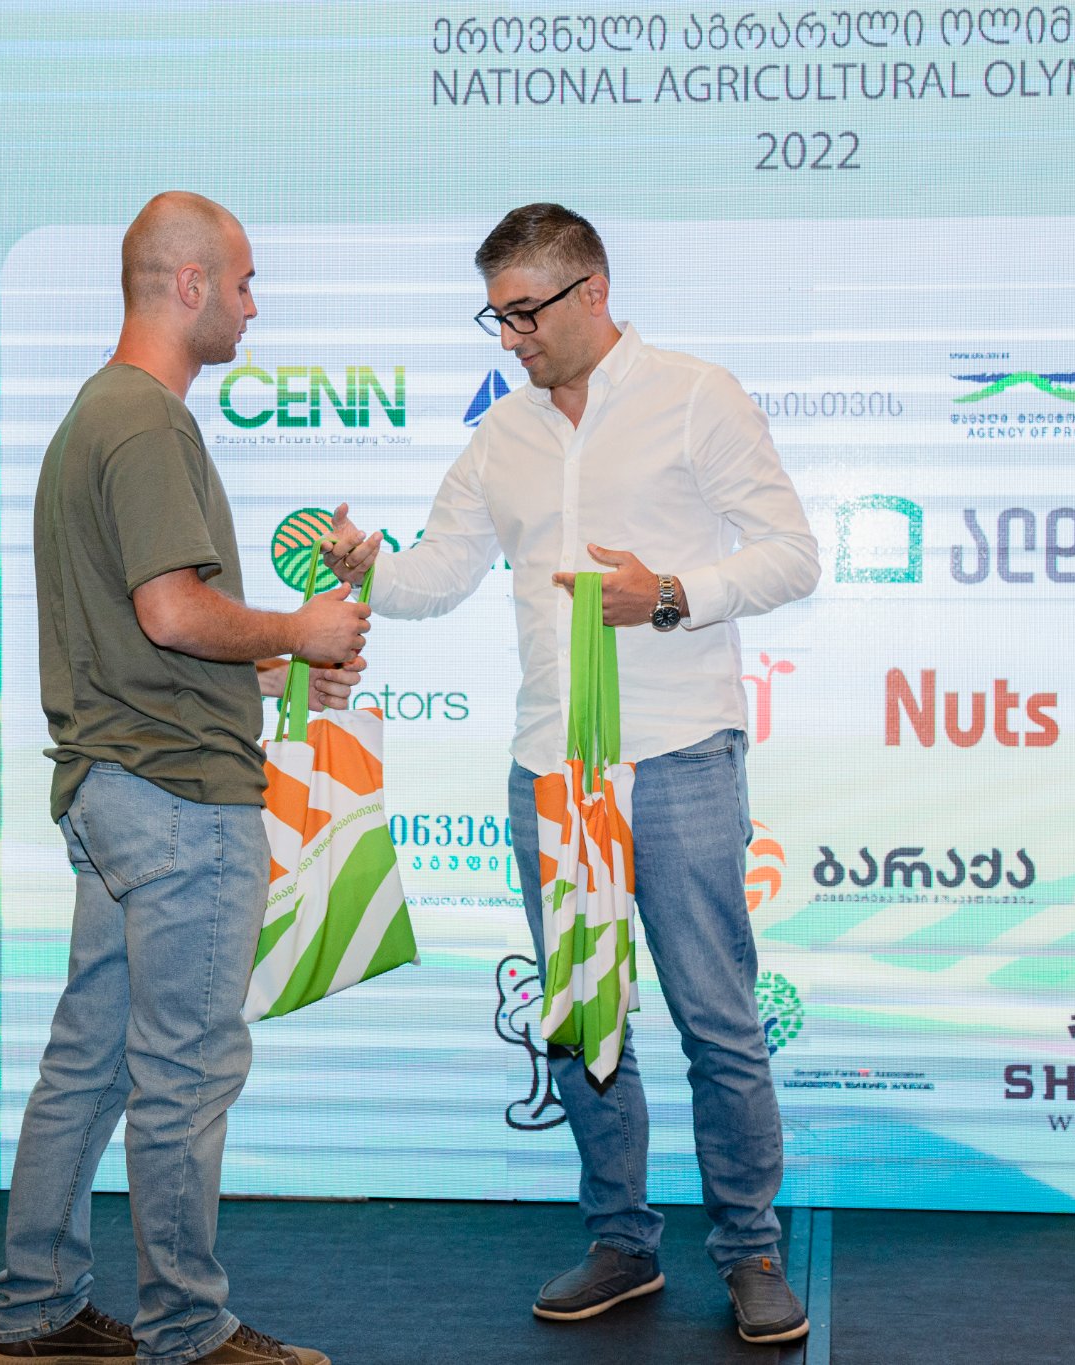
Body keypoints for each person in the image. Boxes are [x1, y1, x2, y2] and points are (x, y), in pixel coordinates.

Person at [319, 203, 820, 1345]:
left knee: (716, 1018)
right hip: (550, 769)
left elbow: (793, 555)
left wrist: (671, 595)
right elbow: (437, 577)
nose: (510, 339)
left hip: (679, 755)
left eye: (525, 313)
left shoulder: (696, 395)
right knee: (581, 1013)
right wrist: (367, 566)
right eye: (495, 318)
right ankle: (620, 1241)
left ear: (591, 290)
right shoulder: (501, 434)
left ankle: (750, 1250)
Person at [0, 191, 368, 1365]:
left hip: (114, 786)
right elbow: (169, 610)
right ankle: (187, 1331)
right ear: (189, 284)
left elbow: (137, 635)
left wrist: (269, 672)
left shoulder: (96, 416)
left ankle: (34, 1313)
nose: (254, 306)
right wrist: (297, 631)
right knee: (183, 1078)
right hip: (177, 799)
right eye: (243, 283)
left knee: (88, 1067)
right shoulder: (146, 422)